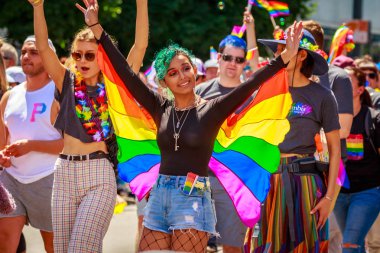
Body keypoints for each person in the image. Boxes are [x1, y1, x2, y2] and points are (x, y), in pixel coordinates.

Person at [83, 0, 303, 249]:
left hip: (194, 199)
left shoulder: (213, 109)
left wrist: (285, 57)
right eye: (173, 73)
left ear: (195, 72)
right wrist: (97, 28)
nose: (182, 76)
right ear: (164, 82)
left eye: (185, 68)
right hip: (159, 197)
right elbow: (125, 73)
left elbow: (251, 84)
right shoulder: (159, 106)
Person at [27, 0, 148, 251]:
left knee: (81, 247)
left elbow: (140, 46)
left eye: (90, 55)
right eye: (77, 54)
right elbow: (43, 47)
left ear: (102, 57)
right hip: (63, 174)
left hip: (98, 175)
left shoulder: (116, 86)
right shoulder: (66, 81)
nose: (82, 60)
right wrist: (38, 7)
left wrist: (142, 3)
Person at [253, 28, 341, 252]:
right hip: (267, 181)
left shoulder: (322, 95)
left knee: (305, 247)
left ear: (302, 55)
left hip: (305, 184)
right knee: (265, 247)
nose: (278, 55)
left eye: (284, 49)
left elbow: (335, 150)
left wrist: (329, 198)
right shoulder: (266, 90)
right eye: (277, 50)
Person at [0, 35, 63, 253]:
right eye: (25, 52)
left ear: (48, 57)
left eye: (34, 52)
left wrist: (32, 145)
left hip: (49, 179)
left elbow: (71, 145)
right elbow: (2, 143)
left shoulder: (59, 93)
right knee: (5, 239)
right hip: (11, 181)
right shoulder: (9, 96)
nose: (26, 56)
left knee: (53, 246)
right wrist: (3, 157)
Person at [303, 20, 354, 253]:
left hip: (327, 169)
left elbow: (343, 129)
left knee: (328, 236)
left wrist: (307, 133)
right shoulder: (289, 78)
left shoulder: (338, 77)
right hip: (295, 169)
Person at [196, 34, 250, 253]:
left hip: (235, 183)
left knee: (233, 247)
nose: (233, 64)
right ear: (219, 58)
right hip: (200, 179)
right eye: (228, 57)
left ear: (244, 63)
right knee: (193, 244)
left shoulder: (251, 96)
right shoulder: (199, 92)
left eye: (239, 60)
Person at [333, 67, 380, 253]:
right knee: (355, 245)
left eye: (347, 82)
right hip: (339, 193)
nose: (340, 86)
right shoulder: (331, 117)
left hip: (368, 192)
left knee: (349, 246)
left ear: (360, 90)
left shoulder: (374, 119)